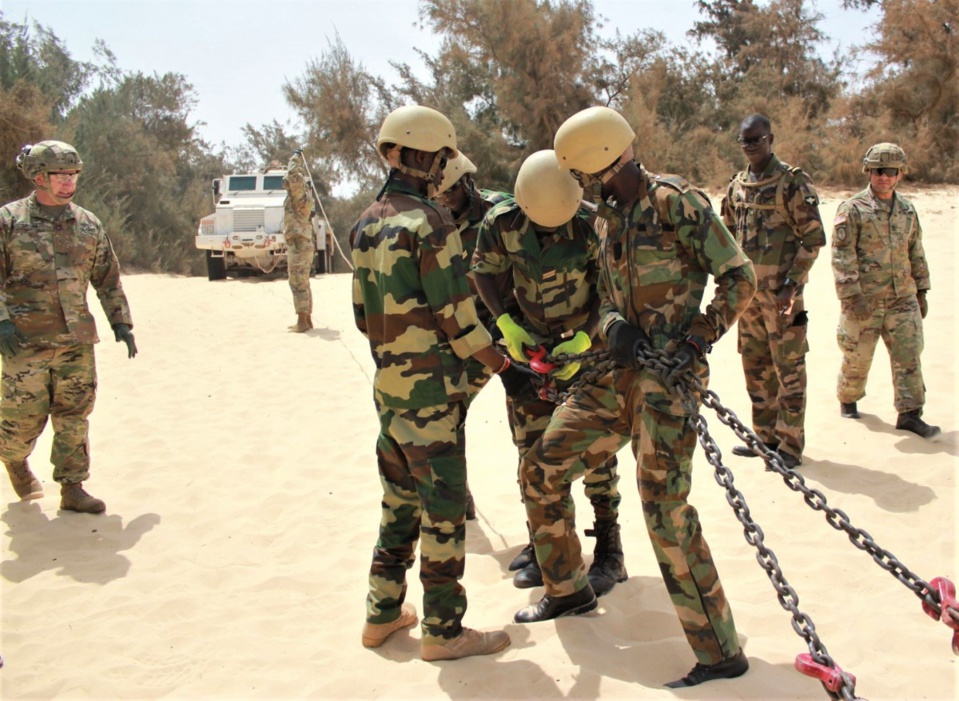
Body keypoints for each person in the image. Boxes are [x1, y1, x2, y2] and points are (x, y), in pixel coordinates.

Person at [509, 106, 755, 689]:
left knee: (664, 509)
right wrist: (614, 326)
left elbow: (739, 276)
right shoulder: (606, 217)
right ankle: (566, 591)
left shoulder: (677, 203)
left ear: (597, 160)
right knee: (541, 467)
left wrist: (699, 338)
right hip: (614, 376)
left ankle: (720, 652)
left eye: (580, 171)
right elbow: (611, 297)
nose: (579, 183)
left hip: (667, 382)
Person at [351, 105, 536, 661]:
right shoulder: (430, 223)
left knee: (398, 504)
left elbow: (363, 316)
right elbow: (460, 322)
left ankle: (381, 615)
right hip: (432, 396)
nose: (443, 170)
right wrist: (508, 369)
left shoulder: (365, 223)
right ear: (425, 156)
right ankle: (443, 631)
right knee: (444, 510)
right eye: (442, 159)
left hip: (389, 391)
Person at [471, 149, 627, 597]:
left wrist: (585, 335)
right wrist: (505, 322)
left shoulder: (591, 224)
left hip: (587, 355)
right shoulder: (502, 222)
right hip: (531, 351)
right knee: (531, 448)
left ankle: (610, 551)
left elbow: (609, 289)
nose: (547, 229)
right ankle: (552, 549)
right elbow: (483, 272)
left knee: (594, 455)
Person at [0, 140, 136, 513]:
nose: (68, 182)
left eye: (73, 175)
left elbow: (107, 278)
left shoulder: (88, 224)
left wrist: (121, 322)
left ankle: (72, 488)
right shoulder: (9, 221)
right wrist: (2, 322)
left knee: (74, 416)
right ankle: (14, 461)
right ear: (38, 177)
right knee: (20, 423)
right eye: (60, 175)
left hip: (76, 341)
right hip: (24, 342)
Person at [721, 114, 825, 469]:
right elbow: (727, 237)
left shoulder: (792, 183)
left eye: (757, 140)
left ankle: (790, 446)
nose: (751, 147)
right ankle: (764, 438)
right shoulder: (736, 186)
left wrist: (792, 284)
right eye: (745, 141)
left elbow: (813, 238)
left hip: (783, 298)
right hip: (748, 298)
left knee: (789, 370)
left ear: (771, 139)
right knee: (756, 368)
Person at [832, 143, 939, 438]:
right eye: (879, 170)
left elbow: (916, 250)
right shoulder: (851, 210)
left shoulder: (907, 210)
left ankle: (910, 413)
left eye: (891, 171)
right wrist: (851, 297)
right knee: (857, 357)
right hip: (863, 300)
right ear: (869, 171)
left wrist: (922, 290)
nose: (884, 177)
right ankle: (848, 398)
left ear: (900, 174)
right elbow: (842, 256)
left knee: (909, 355)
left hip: (902, 298)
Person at [432, 152, 511, 520]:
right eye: (437, 196)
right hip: (469, 339)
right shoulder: (434, 226)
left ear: (466, 183)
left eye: (448, 194)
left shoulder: (501, 212)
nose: (442, 201)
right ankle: (459, 500)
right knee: (451, 412)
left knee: (528, 422)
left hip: (510, 333)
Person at [283, 150, 315, 333]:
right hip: (303, 242)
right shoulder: (302, 196)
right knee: (303, 280)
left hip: (299, 243)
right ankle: (307, 319)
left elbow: (293, 174)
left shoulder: (298, 194)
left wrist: (295, 157)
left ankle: (302, 321)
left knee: (297, 281)